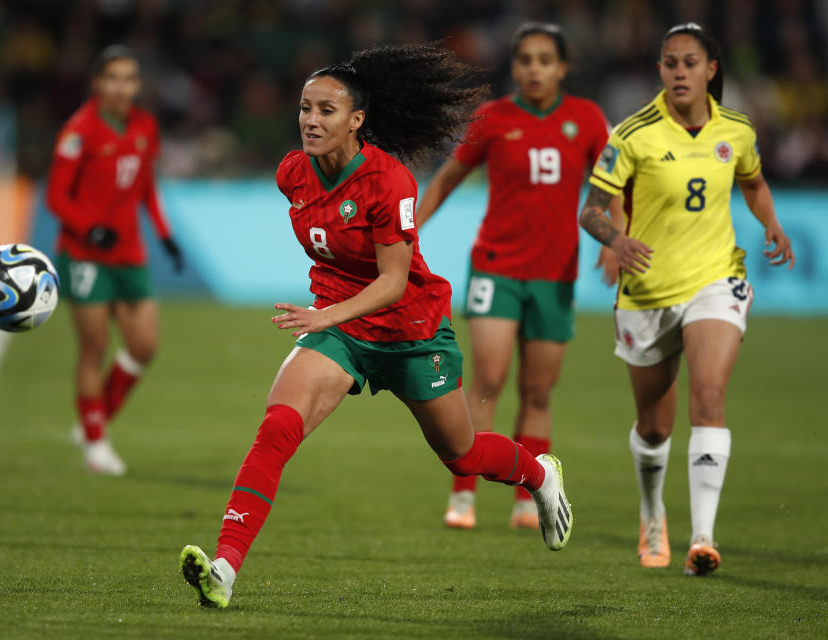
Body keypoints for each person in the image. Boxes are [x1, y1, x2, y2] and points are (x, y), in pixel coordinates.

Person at [179, 44, 574, 609]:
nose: (311, 121)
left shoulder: (390, 183)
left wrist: (324, 315)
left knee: (461, 455)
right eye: (305, 108)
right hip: (342, 331)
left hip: (411, 330)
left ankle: (537, 473)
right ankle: (224, 568)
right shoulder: (292, 173)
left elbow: (393, 281)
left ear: (357, 121)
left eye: (326, 111)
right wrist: (330, 318)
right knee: (276, 429)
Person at [579, 23, 794, 575]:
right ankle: (653, 518)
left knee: (710, 396)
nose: (679, 72)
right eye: (670, 63)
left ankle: (703, 536)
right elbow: (592, 209)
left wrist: (770, 223)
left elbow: (752, 181)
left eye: (690, 63)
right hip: (648, 290)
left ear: (710, 70)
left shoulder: (738, 130)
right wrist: (616, 239)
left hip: (716, 278)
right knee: (654, 427)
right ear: (660, 71)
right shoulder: (633, 133)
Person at [417, 23, 620, 531]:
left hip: (554, 275)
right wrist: (409, 231)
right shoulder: (492, 118)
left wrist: (617, 239)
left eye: (544, 60)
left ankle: (531, 495)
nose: (534, 69)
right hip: (496, 268)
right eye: (526, 59)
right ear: (514, 66)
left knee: (538, 393)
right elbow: (446, 179)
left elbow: (617, 183)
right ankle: (462, 496)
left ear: (563, 67)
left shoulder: (587, 119)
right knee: (486, 380)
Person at [46, 45, 184, 475]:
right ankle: (96, 445)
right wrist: (89, 228)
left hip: (129, 254)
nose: (121, 87)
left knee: (144, 346)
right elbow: (56, 197)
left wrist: (165, 235)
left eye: (129, 79)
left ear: (138, 85)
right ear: (97, 84)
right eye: (113, 78)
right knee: (95, 349)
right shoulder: (79, 131)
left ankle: (93, 422)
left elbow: (146, 188)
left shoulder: (145, 126)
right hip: (85, 255)